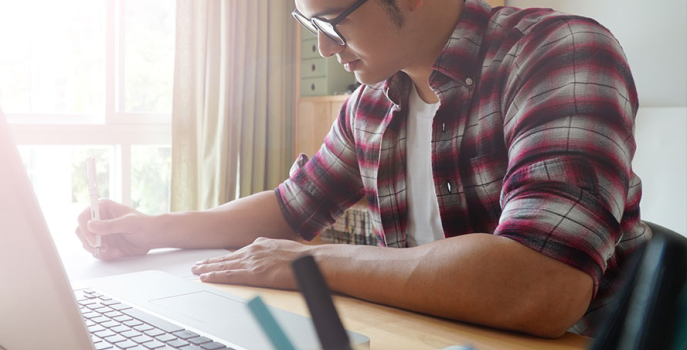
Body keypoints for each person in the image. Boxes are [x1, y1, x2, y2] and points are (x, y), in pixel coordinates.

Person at [75, 0, 647, 338]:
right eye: (309, 26)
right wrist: (151, 229)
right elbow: (291, 206)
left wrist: (311, 264)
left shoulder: (561, 52)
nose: (324, 50)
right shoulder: (373, 102)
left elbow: (541, 285)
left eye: (332, 23)